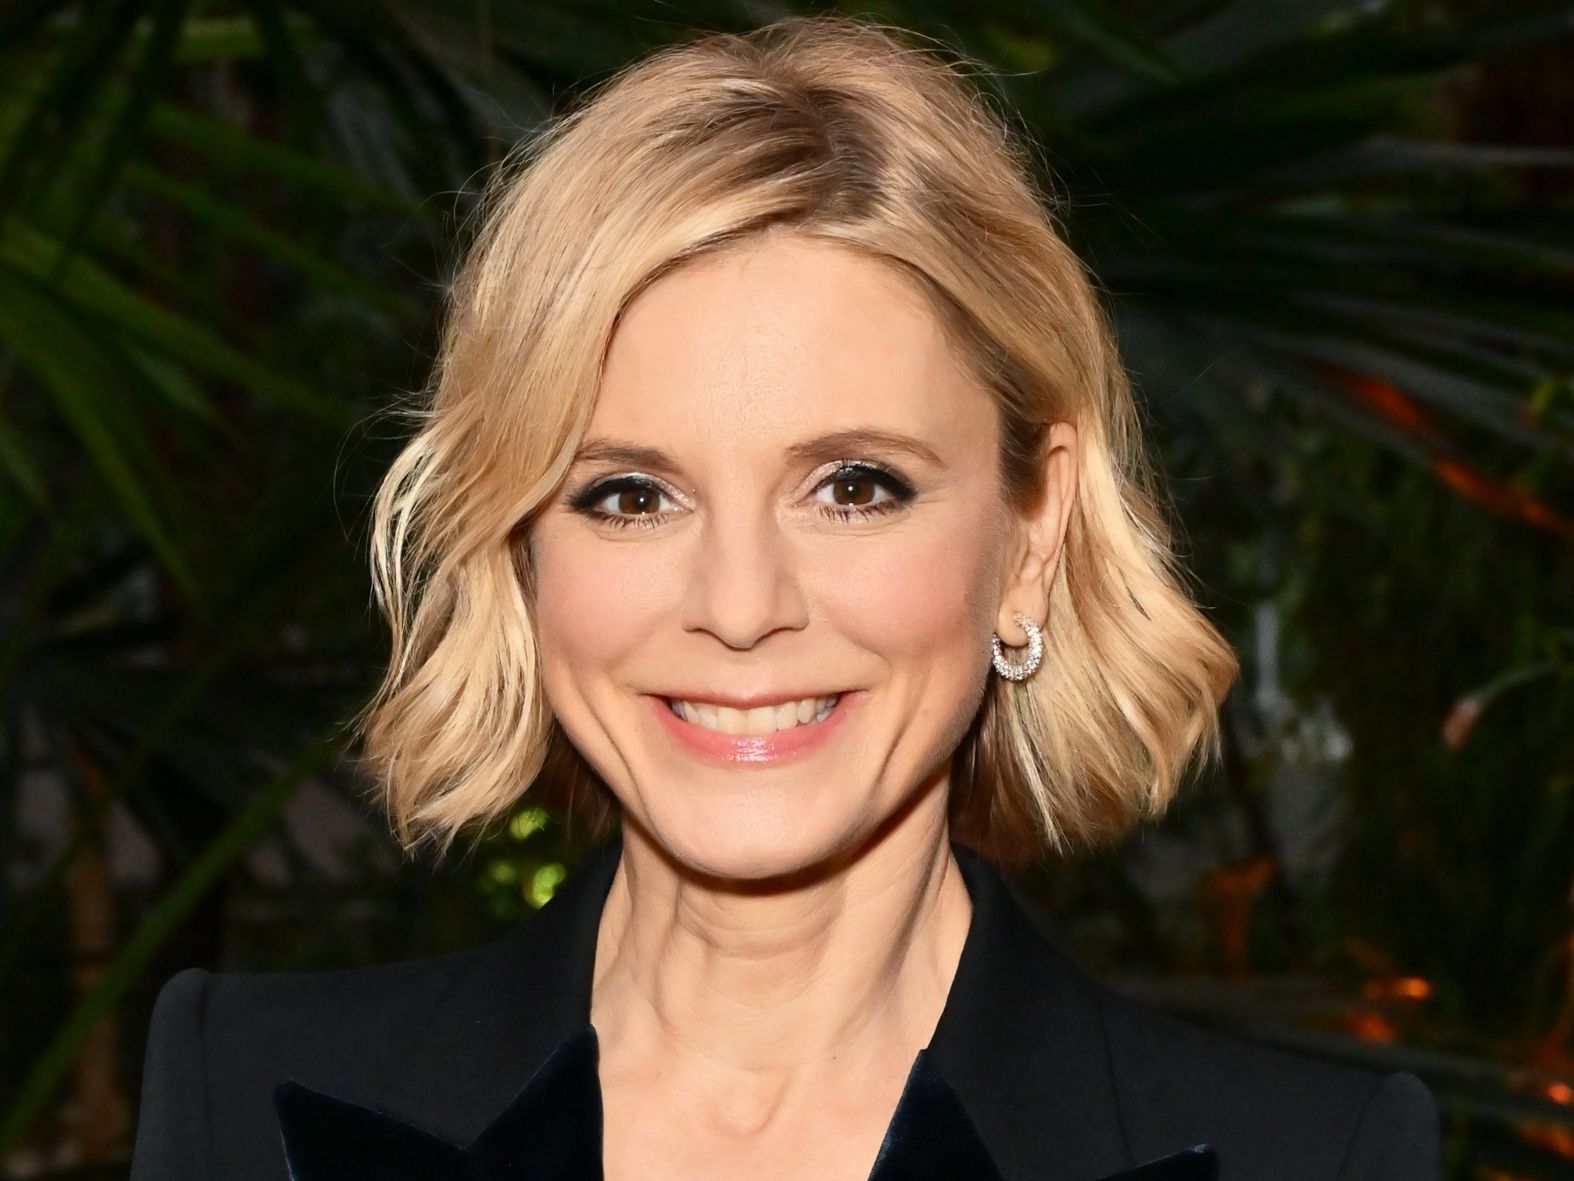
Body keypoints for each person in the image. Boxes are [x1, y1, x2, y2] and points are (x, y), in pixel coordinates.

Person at [128, 14, 1442, 1181]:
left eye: (854, 486)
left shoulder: (1311, 1158)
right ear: (519, 547)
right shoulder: (247, 1100)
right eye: (630, 494)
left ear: (1031, 534)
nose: (742, 604)